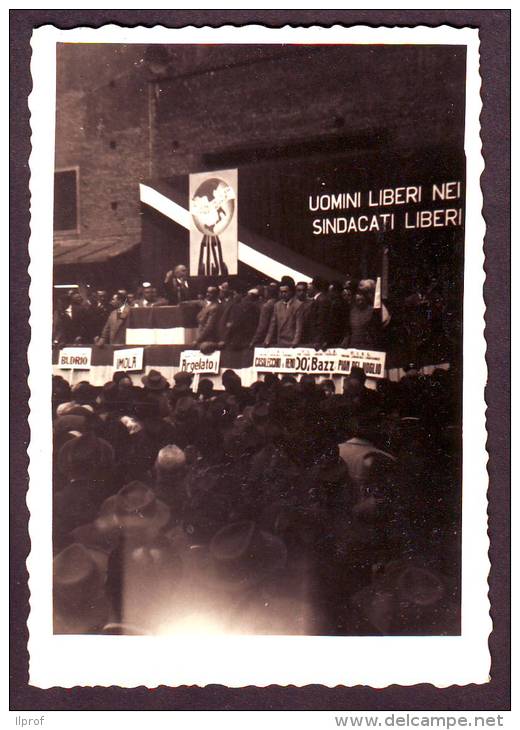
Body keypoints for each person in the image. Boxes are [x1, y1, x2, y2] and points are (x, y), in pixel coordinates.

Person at [264, 281, 304, 347]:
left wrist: (295, 342)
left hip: (292, 342)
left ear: (291, 292)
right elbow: (272, 325)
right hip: (280, 341)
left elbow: (299, 326)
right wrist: (267, 340)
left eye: (285, 292)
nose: (283, 294)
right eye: (281, 292)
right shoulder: (277, 305)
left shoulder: (298, 305)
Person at [305, 276, 332, 350]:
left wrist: (318, 340)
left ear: (314, 287)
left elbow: (321, 321)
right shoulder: (319, 299)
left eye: (309, 288)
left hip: (318, 341)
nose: (308, 291)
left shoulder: (321, 300)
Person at [250, 283, 279, 348]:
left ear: (267, 293)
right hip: (277, 338)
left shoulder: (266, 306)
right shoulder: (278, 303)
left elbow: (262, 326)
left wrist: (254, 340)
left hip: (265, 340)